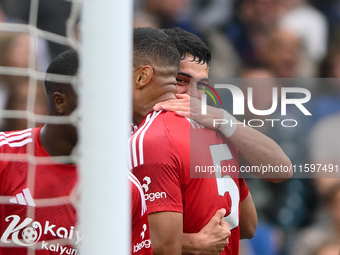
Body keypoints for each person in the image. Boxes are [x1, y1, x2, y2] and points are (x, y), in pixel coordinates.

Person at [130, 26, 258, 255]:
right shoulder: (217, 133)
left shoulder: (153, 138)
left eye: (202, 85)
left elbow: (162, 246)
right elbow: (247, 226)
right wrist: (194, 243)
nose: (193, 94)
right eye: (182, 80)